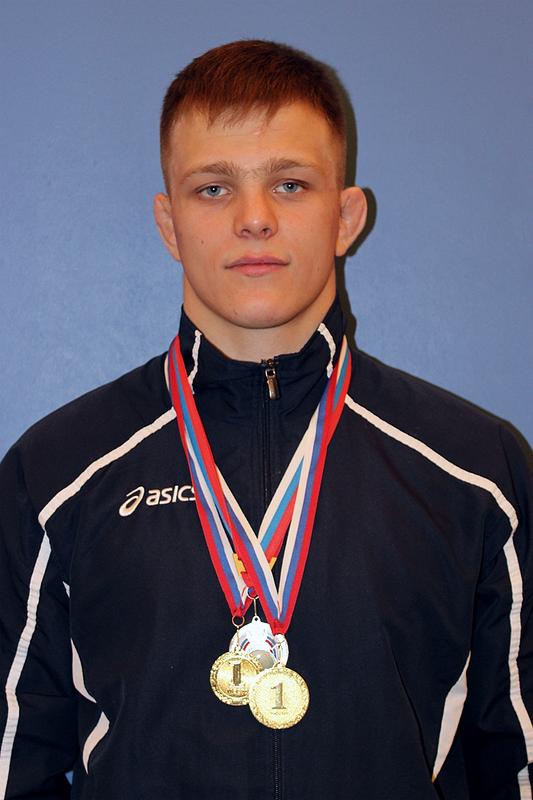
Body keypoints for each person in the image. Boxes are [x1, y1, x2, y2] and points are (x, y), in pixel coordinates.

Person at [0, 39, 531, 800]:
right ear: (168, 224)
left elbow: (517, 762)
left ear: (345, 217)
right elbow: (12, 764)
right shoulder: (55, 473)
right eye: (213, 188)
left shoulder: (476, 472)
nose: (254, 219)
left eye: (290, 184)